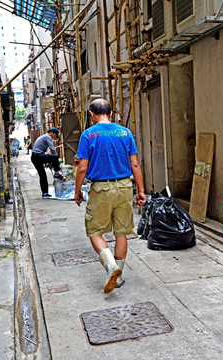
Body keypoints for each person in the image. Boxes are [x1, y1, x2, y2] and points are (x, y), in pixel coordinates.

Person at [75, 99, 147, 294]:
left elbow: (82, 167)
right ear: (111, 112)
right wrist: (140, 190)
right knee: (121, 232)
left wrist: (77, 191)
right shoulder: (125, 133)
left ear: (92, 114)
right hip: (125, 187)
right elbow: (135, 165)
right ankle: (119, 274)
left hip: (100, 189)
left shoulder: (89, 135)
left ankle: (110, 266)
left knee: (94, 231)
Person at [31, 128, 64, 198]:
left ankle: (45, 193)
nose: (54, 137)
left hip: (35, 157)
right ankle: (57, 173)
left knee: (42, 175)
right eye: (55, 135)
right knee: (54, 157)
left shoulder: (44, 137)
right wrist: (56, 158)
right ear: (52, 132)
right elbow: (52, 148)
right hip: (37, 156)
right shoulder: (47, 137)